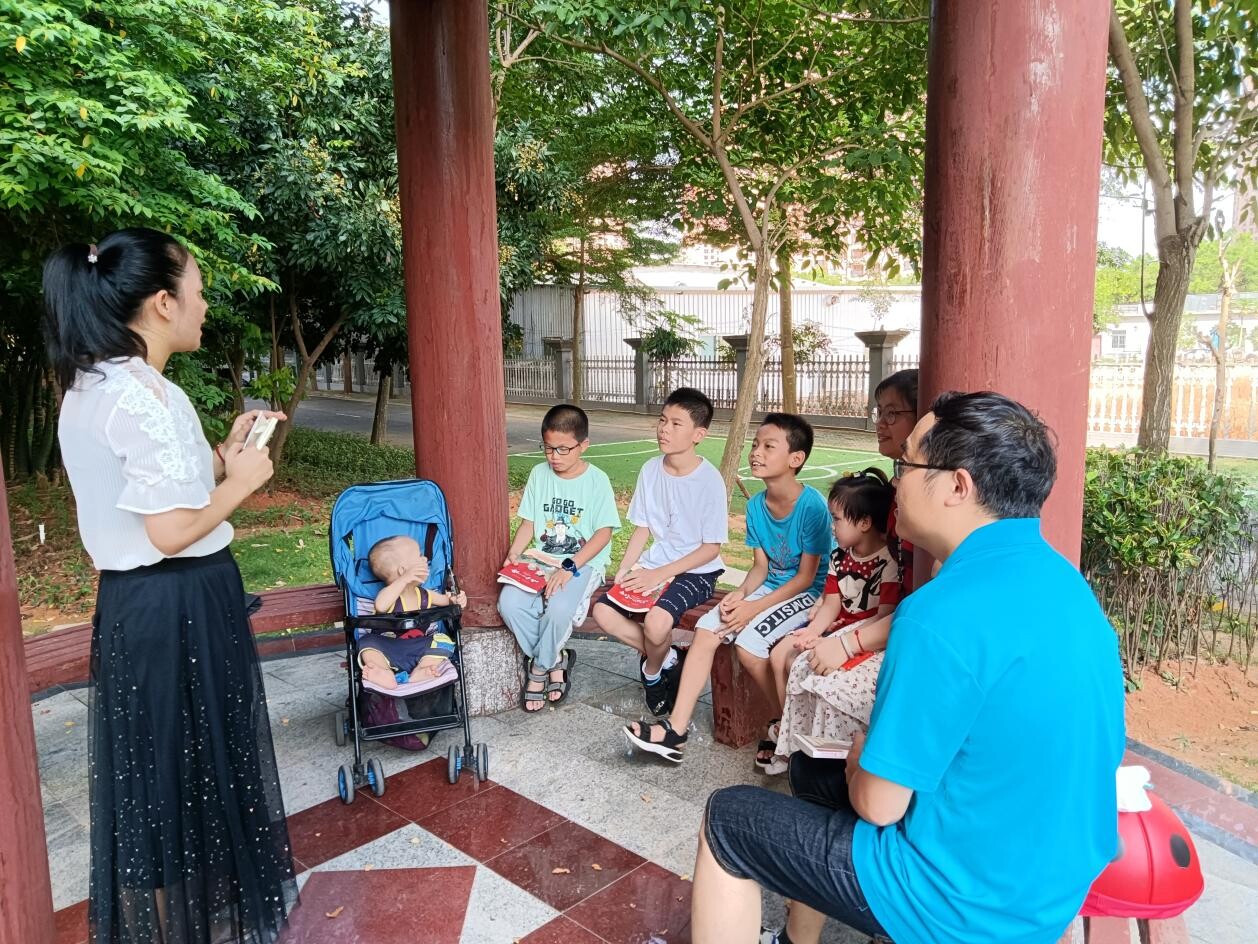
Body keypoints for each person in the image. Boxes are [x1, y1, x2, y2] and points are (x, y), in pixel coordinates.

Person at [693, 391, 1126, 944]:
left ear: (957, 486)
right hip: (1050, 884)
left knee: (729, 820)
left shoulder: (941, 611)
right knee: (809, 775)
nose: (896, 484)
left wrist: (858, 760)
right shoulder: (1066, 584)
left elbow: (877, 805)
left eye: (908, 465)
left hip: (961, 901)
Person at [43, 228, 297, 944]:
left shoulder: (111, 384)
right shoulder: (136, 396)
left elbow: (160, 494)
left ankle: (176, 927)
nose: (205, 305)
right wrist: (242, 484)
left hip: (153, 602)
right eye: (199, 291)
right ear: (163, 302)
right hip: (173, 598)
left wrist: (222, 458)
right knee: (172, 779)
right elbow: (170, 530)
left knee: (167, 771)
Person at [624, 413, 830, 763]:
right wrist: (742, 594)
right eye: (755, 445)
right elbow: (761, 567)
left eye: (768, 446)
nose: (756, 452)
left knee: (749, 645)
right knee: (707, 631)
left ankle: (785, 724)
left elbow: (806, 578)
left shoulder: (812, 506)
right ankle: (675, 731)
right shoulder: (755, 505)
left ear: (796, 459)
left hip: (808, 594)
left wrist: (753, 608)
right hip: (771, 587)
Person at [760, 370, 919, 783]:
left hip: (887, 631)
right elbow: (831, 599)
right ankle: (796, 751)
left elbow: (895, 607)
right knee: (794, 660)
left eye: (892, 413)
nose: (880, 422)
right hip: (868, 628)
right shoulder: (846, 550)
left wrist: (845, 643)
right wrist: (820, 630)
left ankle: (833, 773)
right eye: (879, 412)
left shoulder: (892, 550)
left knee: (825, 680)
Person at [592, 387, 727, 718]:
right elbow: (642, 528)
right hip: (656, 565)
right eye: (662, 420)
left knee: (656, 623)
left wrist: (659, 574)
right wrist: (625, 568)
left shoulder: (709, 480)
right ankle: (668, 658)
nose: (664, 429)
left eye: (676, 424)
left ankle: (652, 672)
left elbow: (711, 548)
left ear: (698, 434)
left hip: (698, 571)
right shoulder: (650, 469)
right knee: (603, 612)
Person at [764, 468, 898, 770]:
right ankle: (791, 742)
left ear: (864, 523)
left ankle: (814, 752)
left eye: (836, 519)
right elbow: (831, 603)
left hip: (864, 636)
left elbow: (884, 615)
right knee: (792, 658)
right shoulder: (840, 557)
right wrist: (813, 631)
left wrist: (837, 639)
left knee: (808, 667)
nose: (831, 526)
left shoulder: (888, 562)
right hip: (841, 629)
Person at [498, 403, 621, 711]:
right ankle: (556, 660)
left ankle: (539, 670)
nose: (554, 456)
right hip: (541, 558)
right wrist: (514, 553)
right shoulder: (539, 474)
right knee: (508, 604)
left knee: (558, 609)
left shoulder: (597, 480)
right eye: (548, 448)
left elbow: (603, 534)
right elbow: (528, 523)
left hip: (582, 562)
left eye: (563, 449)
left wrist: (569, 566)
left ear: (583, 445)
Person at [357, 534, 467, 690]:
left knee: (444, 640)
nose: (425, 559)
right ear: (403, 571)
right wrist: (404, 580)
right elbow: (380, 605)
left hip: (419, 648)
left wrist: (458, 600)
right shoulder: (387, 597)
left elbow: (448, 601)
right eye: (419, 556)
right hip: (387, 648)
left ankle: (422, 669)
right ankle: (383, 672)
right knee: (367, 642)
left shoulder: (424, 594)